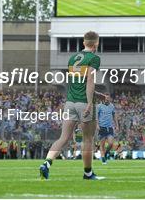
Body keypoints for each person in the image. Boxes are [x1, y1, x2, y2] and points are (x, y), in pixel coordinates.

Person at [39, 31, 108, 180]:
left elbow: (78, 82)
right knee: (88, 139)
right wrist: (90, 102)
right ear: (96, 44)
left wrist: (98, 95)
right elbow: (89, 80)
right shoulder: (94, 58)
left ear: (84, 43)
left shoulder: (72, 58)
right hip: (84, 102)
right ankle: (88, 173)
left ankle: (47, 163)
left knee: (63, 137)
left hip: (70, 102)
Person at [97, 96, 119, 164]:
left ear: (110, 99)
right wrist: (97, 125)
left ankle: (106, 154)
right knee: (102, 145)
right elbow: (96, 116)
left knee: (111, 143)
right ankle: (103, 158)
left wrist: (117, 125)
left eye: (108, 99)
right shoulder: (99, 106)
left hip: (109, 127)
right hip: (102, 127)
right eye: (105, 99)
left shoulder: (112, 106)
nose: (107, 100)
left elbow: (114, 116)